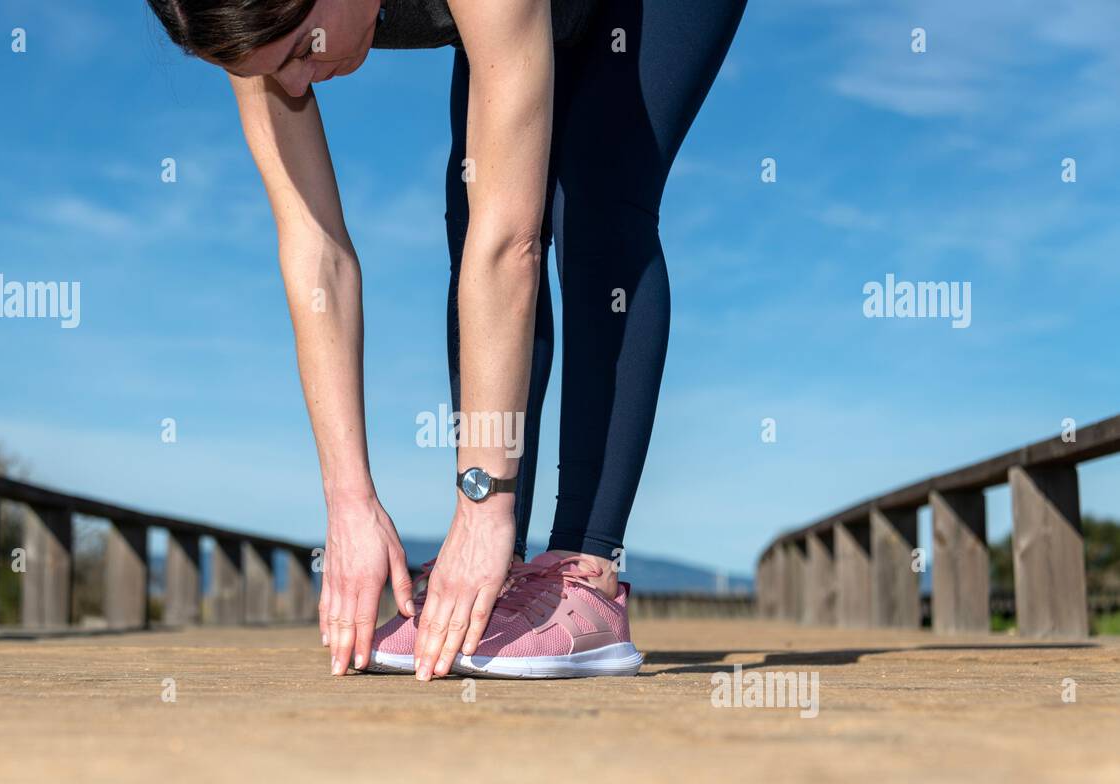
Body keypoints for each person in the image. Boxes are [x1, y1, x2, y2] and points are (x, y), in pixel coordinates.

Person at [147, 0, 747, 680]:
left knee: (597, 196)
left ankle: (587, 575)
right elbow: (316, 252)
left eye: (297, 53)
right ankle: (504, 575)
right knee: (473, 202)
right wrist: (349, 500)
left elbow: (509, 245)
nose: (294, 85)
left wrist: (482, 498)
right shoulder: (239, 16)